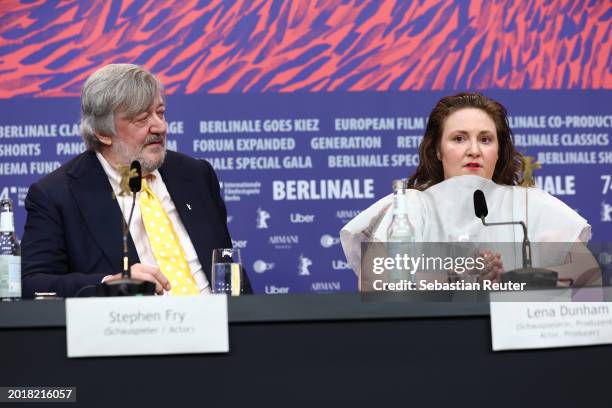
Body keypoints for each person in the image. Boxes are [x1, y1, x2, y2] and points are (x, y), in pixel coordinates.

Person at [21, 63, 252, 297]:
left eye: (160, 113)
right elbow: (33, 283)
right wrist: (109, 283)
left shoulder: (196, 175)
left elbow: (229, 269)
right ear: (103, 132)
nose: (160, 126)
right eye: (142, 119)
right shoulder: (57, 195)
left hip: (219, 323)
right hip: (136, 326)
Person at [340, 92, 601, 288]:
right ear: (438, 150)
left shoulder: (528, 205)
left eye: (485, 139)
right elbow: (373, 282)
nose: (474, 150)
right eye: (459, 138)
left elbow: (589, 275)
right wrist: (452, 274)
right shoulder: (411, 205)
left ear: (498, 152)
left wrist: (512, 279)